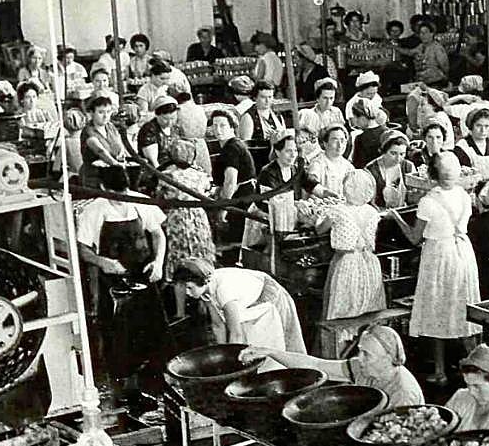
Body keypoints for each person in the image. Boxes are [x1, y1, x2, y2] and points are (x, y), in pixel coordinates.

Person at [390, 151, 481, 384]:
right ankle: (477, 368)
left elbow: (414, 238)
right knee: (462, 307)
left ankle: (440, 372)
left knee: (436, 308)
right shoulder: (463, 195)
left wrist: (396, 217)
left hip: (439, 255)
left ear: (432, 174)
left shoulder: (428, 202)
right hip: (463, 252)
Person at [75, 165, 167, 385]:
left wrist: (158, 263)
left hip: (144, 274)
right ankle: (122, 379)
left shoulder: (140, 202)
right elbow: (83, 249)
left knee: (153, 326)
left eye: (123, 194)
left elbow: (158, 234)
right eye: (115, 196)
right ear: (103, 188)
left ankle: (156, 373)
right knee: (118, 332)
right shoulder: (94, 210)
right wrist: (103, 262)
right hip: (113, 279)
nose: (121, 200)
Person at [239, 325, 423, 408]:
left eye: (367, 354)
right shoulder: (364, 367)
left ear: (388, 358)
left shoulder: (404, 393)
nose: (359, 358)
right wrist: (271, 352)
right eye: (360, 351)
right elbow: (315, 365)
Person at [172, 258, 306, 354]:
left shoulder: (224, 291)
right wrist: (222, 353)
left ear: (202, 281)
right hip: (248, 304)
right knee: (250, 346)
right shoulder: (205, 290)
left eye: (189, 287)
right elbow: (218, 325)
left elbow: (236, 333)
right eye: (184, 288)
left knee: (281, 348)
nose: (187, 293)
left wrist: (231, 361)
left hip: (270, 297)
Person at [157, 139, 216, 319]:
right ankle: (207, 306)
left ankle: (180, 312)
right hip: (197, 218)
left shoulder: (167, 175)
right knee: (202, 259)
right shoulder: (200, 174)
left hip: (178, 219)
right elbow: (208, 191)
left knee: (180, 265)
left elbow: (161, 196)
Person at [317, 170, 386, 320]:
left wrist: (315, 219)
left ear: (347, 188)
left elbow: (320, 229)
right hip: (370, 262)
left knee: (343, 309)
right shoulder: (372, 212)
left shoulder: (337, 210)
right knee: (368, 308)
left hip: (346, 262)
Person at [210, 109, 257, 264]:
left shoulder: (232, 149)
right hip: (242, 196)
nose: (218, 130)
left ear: (232, 127)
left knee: (232, 243)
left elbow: (230, 182)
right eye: (215, 125)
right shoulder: (231, 146)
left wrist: (223, 209)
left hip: (239, 199)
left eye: (222, 125)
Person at [79, 94, 130, 188]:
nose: (105, 116)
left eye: (108, 111)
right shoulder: (88, 131)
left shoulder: (110, 127)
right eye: (101, 112)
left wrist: (122, 155)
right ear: (92, 113)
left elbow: (120, 143)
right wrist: (116, 164)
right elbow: (100, 151)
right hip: (95, 178)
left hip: (114, 174)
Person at [366, 129, 415, 209]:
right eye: (393, 153)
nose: (398, 159)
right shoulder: (371, 169)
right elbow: (368, 200)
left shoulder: (408, 167)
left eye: (402, 154)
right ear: (383, 151)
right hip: (379, 212)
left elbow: (413, 196)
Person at [453, 106, 489, 184]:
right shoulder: (462, 147)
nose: (483, 130)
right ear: (471, 126)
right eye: (478, 126)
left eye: (486, 126)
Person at [308, 124, 355, 199]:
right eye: (335, 141)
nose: (340, 145)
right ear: (325, 144)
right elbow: (311, 187)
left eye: (342, 141)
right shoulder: (317, 164)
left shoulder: (348, 166)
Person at [134, 95, 181, 168]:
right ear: (157, 115)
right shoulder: (149, 130)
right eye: (165, 119)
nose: (169, 123)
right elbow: (154, 162)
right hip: (155, 169)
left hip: (173, 167)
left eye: (173, 118)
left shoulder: (174, 128)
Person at [399, 20, 448, 86]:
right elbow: (409, 52)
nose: (422, 35)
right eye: (421, 33)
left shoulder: (437, 48)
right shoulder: (420, 46)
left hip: (435, 82)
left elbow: (445, 67)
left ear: (432, 33)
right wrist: (394, 47)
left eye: (425, 33)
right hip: (421, 81)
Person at [238, 80, 286, 145]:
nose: (267, 101)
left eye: (270, 97)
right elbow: (246, 145)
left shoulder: (277, 115)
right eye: (263, 97)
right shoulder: (248, 117)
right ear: (255, 97)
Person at [407, 86, 455, 150]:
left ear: (433, 106)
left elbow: (433, 142)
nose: (419, 108)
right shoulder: (432, 117)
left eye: (423, 104)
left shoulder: (437, 119)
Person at [349, 98, 387, 169]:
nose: (356, 122)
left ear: (363, 118)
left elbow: (358, 165)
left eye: (356, 118)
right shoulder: (387, 132)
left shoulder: (360, 139)